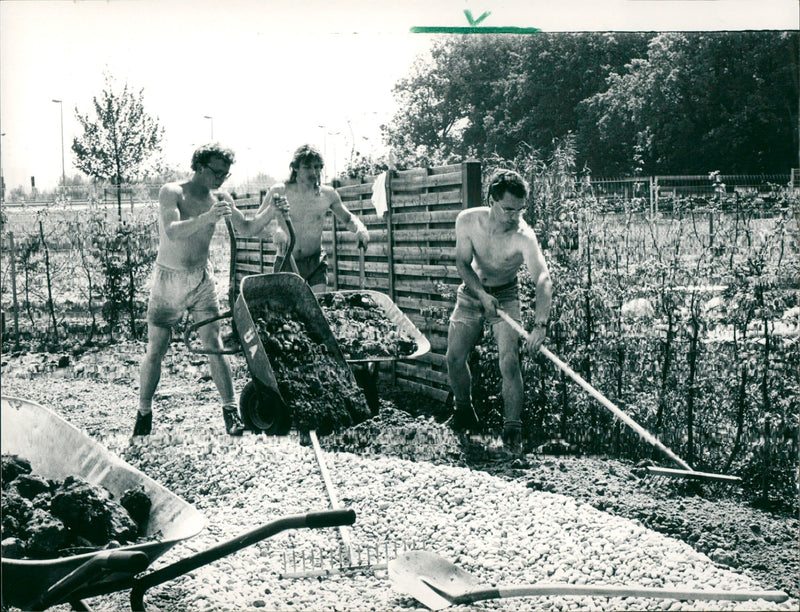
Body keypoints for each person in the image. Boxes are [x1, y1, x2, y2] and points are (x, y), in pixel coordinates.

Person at [134, 143, 288, 436]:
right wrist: (207, 217)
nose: (221, 178)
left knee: (214, 344)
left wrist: (272, 211)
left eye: (226, 174)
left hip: (201, 279)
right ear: (200, 167)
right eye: (217, 172)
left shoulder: (221, 197)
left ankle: (231, 411)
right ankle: (144, 411)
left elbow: (248, 228)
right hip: (169, 280)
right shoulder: (172, 191)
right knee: (157, 348)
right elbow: (172, 230)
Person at [445, 169, 553, 454]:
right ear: (492, 200)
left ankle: (512, 429)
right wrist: (480, 293)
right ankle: (464, 413)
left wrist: (540, 325)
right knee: (454, 357)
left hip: (506, 295)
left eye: (520, 209)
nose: (514, 216)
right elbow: (462, 264)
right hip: (471, 293)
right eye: (508, 209)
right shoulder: (467, 221)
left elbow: (542, 278)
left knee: (509, 362)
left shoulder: (523, 236)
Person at [260, 144, 369, 293]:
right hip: (287, 261)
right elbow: (257, 223)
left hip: (315, 262)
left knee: (316, 307)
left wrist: (360, 229)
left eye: (318, 167)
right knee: (288, 312)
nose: (314, 172)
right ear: (295, 167)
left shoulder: (328, 194)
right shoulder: (279, 191)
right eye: (308, 167)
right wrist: (275, 232)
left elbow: (348, 219)